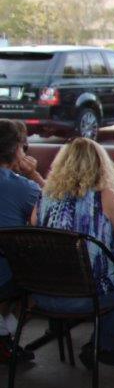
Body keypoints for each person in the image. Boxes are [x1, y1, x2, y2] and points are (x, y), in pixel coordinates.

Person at [33, 138, 114, 370]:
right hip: (85, 294)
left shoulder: (44, 196)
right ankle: (105, 344)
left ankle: (102, 343)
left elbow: (35, 235)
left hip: (44, 292)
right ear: (101, 165)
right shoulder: (104, 197)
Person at [0, 120, 42, 362]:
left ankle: (4, 336)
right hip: (7, 273)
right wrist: (33, 174)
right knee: (40, 274)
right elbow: (57, 206)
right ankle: (5, 337)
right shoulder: (22, 187)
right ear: (15, 149)